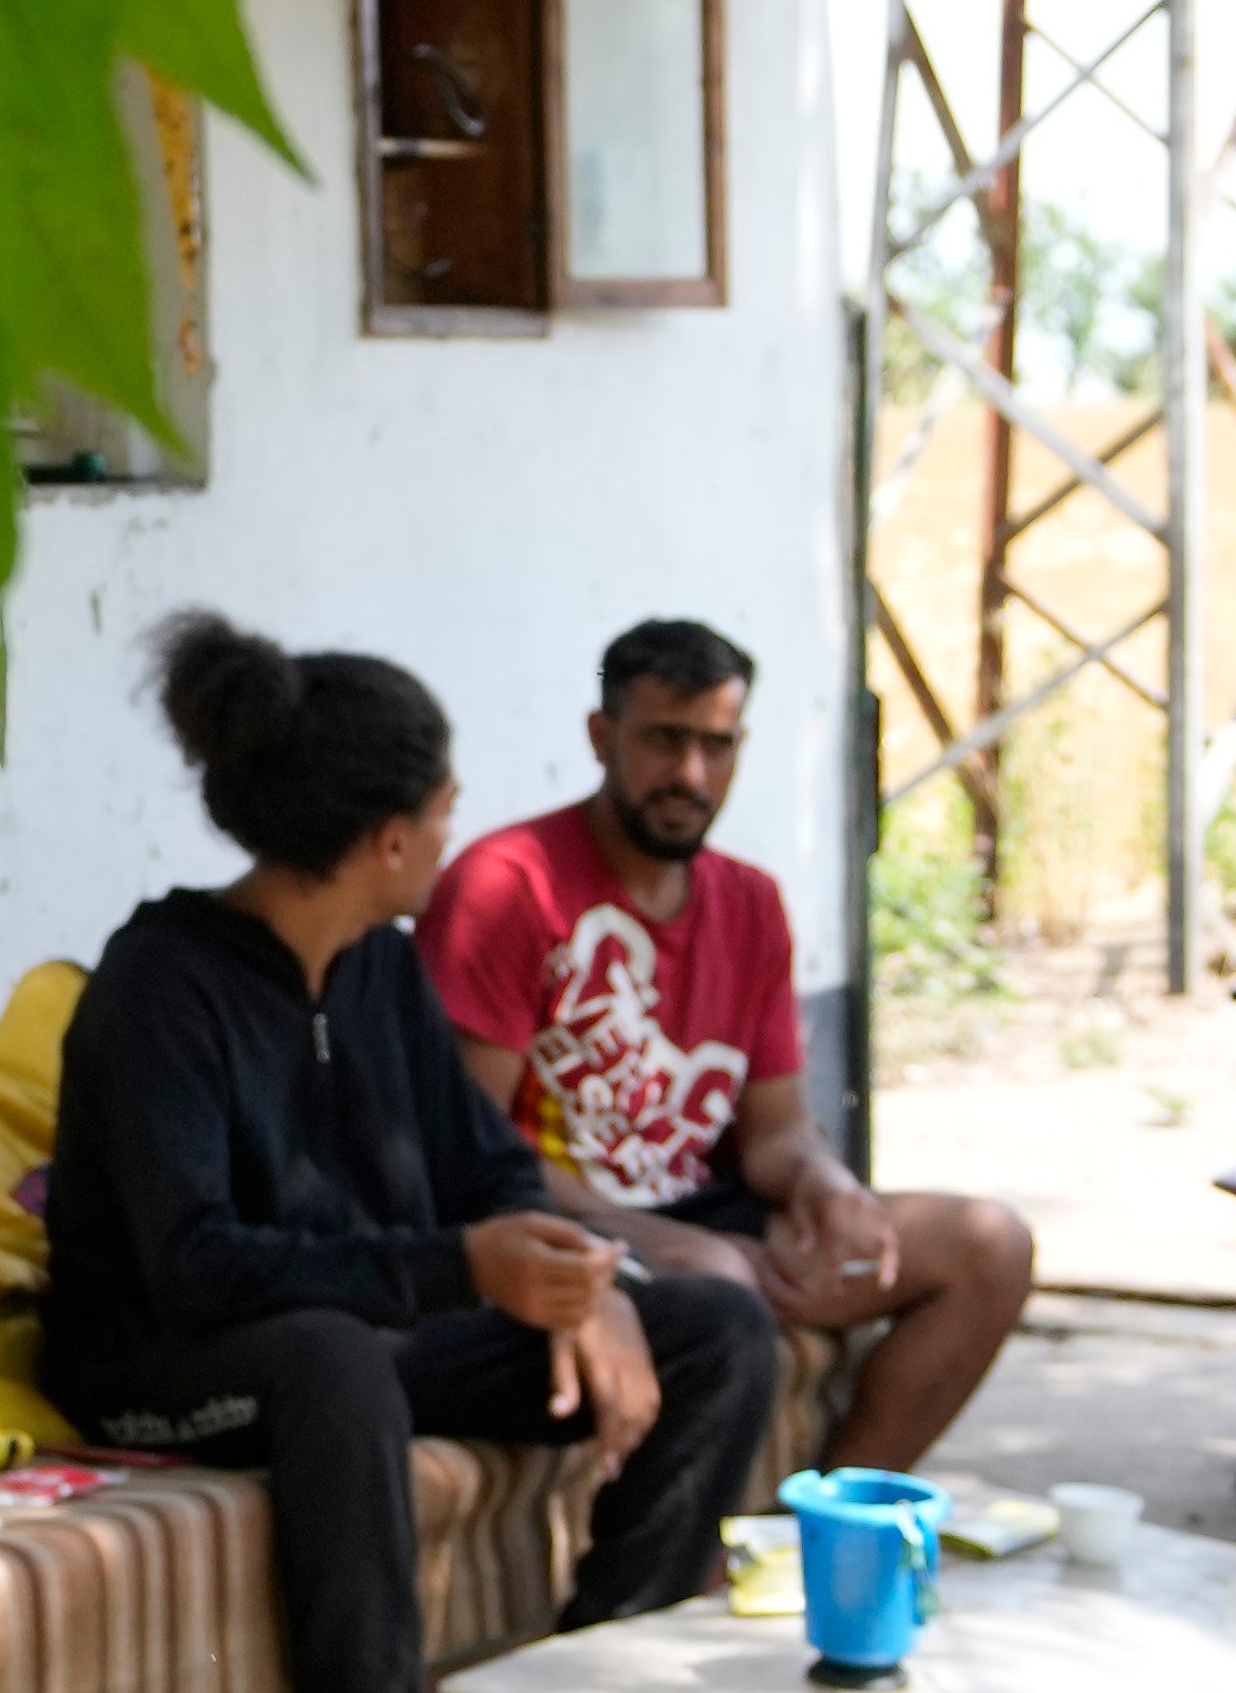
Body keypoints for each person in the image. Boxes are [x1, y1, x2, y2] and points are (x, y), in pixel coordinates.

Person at [43, 613, 791, 1693]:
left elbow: (485, 1163)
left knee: (719, 1329)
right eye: (442, 813)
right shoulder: (161, 986)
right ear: (389, 839)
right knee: (330, 1356)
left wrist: (585, 1283)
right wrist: (462, 1269)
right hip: (162, 1366)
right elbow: (197, 1267)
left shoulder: (380, 968)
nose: (454, 835)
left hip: (358, 1342)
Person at [426, 615, 1038, 1474]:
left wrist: (826, 1184)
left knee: (988, 1245)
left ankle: (822, 1520)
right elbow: (466, 1150)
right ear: (601, 738)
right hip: (559, 1223)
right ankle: (702, 1561)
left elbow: (774, 1131)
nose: (691, 774)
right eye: (664, 741)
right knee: (721, 1285)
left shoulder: (750, 902)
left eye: (718, 746)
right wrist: (651, 1236)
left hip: (710, 1211)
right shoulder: (508, 884)